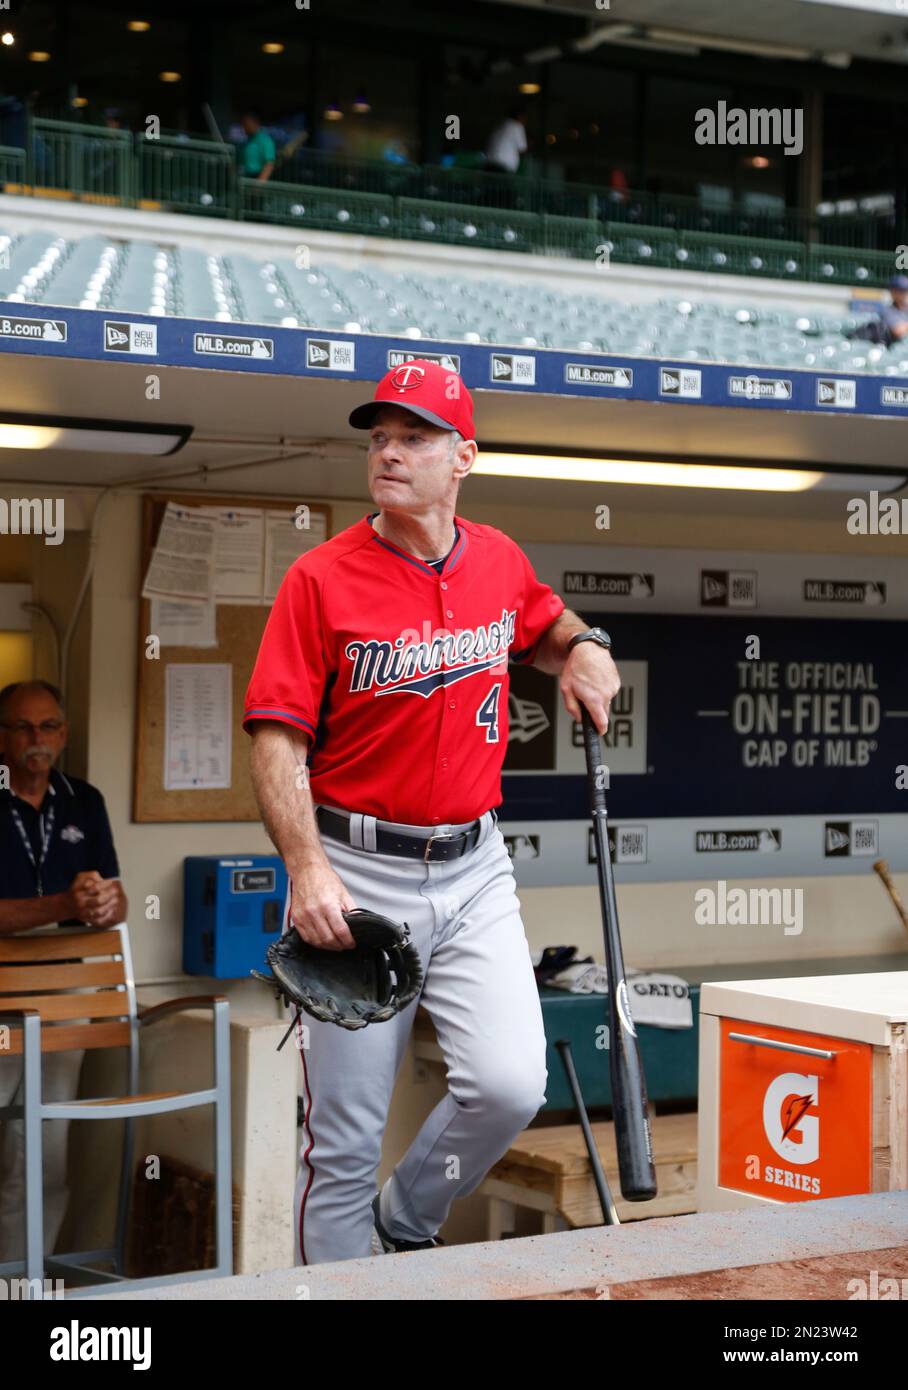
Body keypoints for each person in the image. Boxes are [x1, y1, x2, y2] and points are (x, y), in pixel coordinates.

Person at [244, 359, 620, 1264]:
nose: (389, 453)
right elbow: (275, 743)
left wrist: (587, 647)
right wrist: (306, 868)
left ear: (463, 458)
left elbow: (545, 624)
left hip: (475, 865)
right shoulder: (321, 577)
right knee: (340, 1147)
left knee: (509, 1084)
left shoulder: (498, 558)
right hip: (357, 871)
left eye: (414, 437)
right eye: (378, 437)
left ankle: (406, 1217)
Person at [0, 680, 127, 1264]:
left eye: (48, 726)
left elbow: (116, 896)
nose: (36, 739)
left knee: (46, 1151)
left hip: (65, 994)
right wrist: (63, 906)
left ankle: (26, 1281)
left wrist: (104, 904)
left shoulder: (85, 800)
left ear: (65, 733)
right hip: (2, 994)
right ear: (2, 736)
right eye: (23, 727)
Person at [848, 274, 908, 348]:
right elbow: (898, 331)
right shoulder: (887, 310)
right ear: (892, 292)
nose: (904, 293)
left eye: (905, 290)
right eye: (900, 290)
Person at [485, 104, 528, 174]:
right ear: (520, 116)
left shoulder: (500, 123)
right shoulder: (517, 126)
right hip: (503, 167)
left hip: (489, 164)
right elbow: (523, 149)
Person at [239, 110, 275, 182]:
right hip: (246, 177)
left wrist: (259, 184)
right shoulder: (247, 141)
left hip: (257, 178)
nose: (243, 127)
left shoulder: (265, 140)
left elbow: (269, 164)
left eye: (246, 123)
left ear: (254, 122)